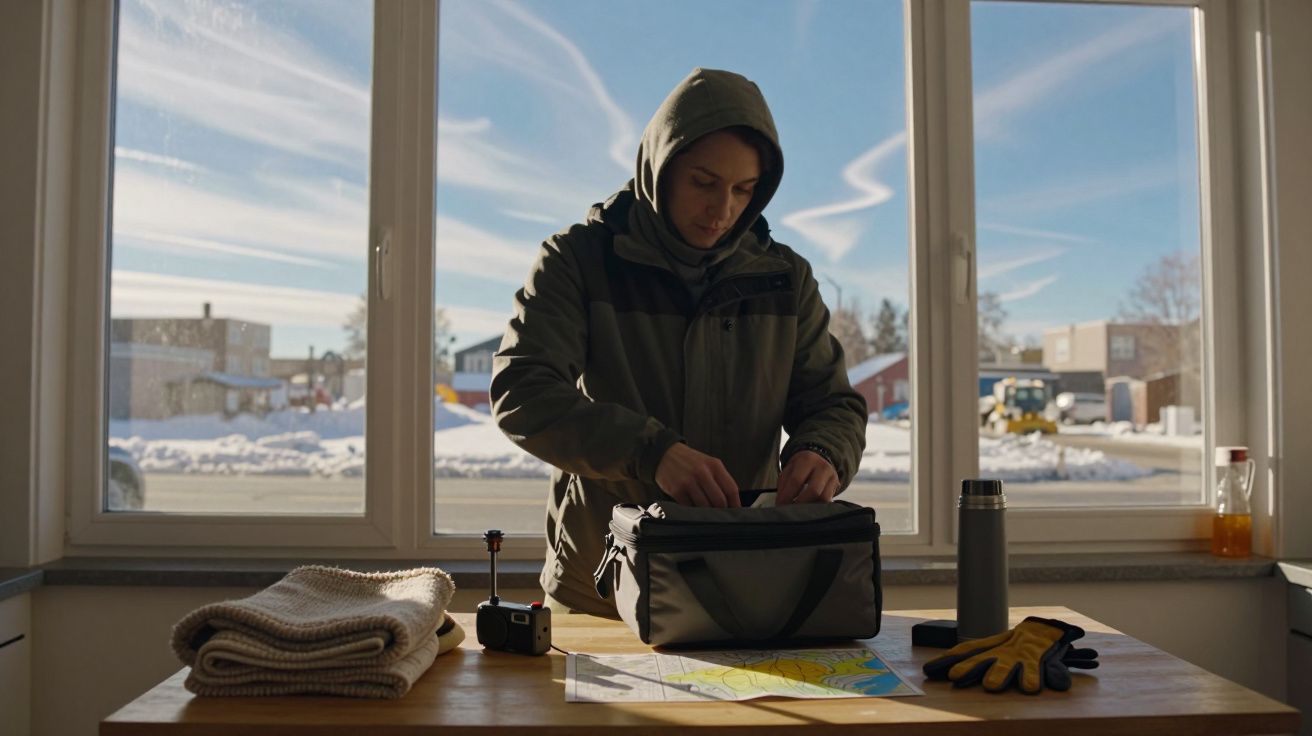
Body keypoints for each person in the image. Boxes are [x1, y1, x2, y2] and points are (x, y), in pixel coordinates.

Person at [490, 68, 868, 617]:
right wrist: (652, 451)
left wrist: (823, 452)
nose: (723, 211)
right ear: (659, 167)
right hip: (603, 583)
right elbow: (522, 390)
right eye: (703, 182)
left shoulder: (787, 279)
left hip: (750, 578)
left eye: (744, 190)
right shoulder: (577, 260)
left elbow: (833, 404)